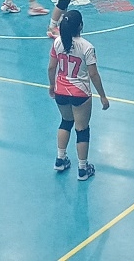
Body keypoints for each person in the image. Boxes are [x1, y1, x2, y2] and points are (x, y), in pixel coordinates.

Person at [47, 10, 109, 181]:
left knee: (65, 122)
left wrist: (52, 85)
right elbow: (94, 74)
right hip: (79, 92)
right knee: (82, 130)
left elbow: (51, 67)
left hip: (61, 90)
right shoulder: (87, 47)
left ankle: (60, 159)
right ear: (80, 26)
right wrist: (103, 96)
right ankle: (83, 168)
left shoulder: (58, 42)